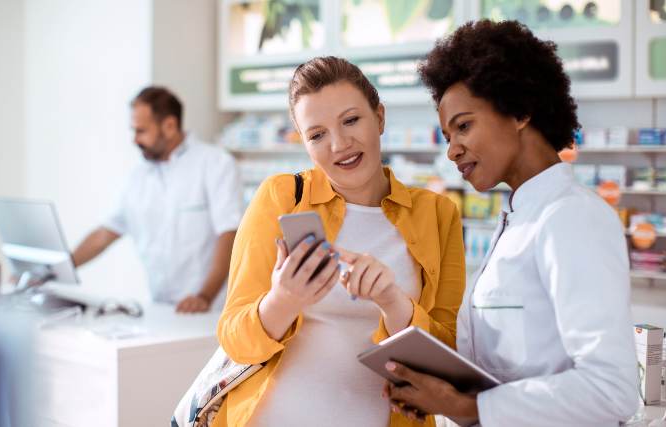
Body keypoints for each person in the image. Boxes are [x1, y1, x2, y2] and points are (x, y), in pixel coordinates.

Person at [382, 20, 639, 426]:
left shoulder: (572, 217)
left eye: (463, 126)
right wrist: (443, 394)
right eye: (447, 135)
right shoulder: (520, 220)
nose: (452, 151)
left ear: (520, 111)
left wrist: (467, 407)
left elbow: (612, 389)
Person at [215, 57, 466, 427]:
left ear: (379, 117)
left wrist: (394, 304)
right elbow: (235, 341)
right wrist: (283, 301)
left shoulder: (438, 214)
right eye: (317, 134)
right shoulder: (281, 197)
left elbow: (448, 358)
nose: (339, 144)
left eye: (351, 120)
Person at [71, 86, 242, 313]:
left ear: (169, 126)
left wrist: (204, 296)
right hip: (161, 308)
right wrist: (57, 269)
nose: (134, 139)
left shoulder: (216, 164)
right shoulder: (138, 176)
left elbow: (230, 234)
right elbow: (104, 234)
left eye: (141, 131)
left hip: (211, 309)